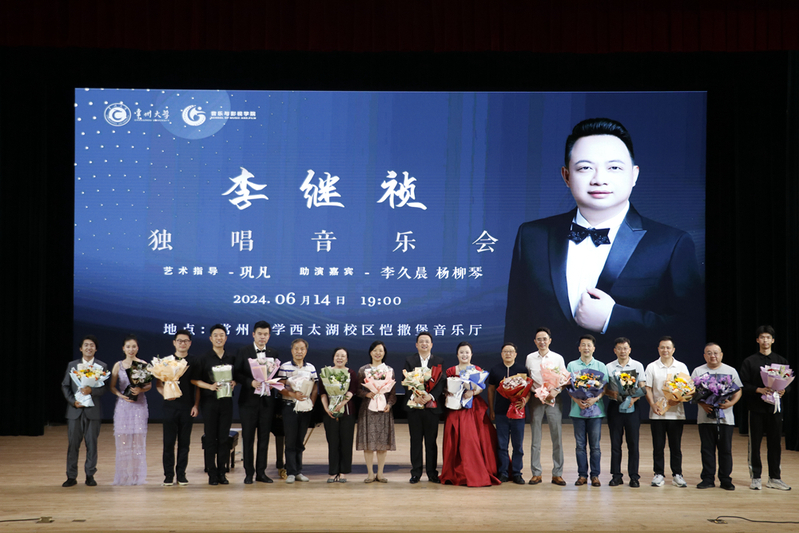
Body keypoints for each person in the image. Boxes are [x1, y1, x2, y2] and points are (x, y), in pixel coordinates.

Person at [504, 118, 703, 357]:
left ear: (634, 175)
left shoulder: (671, 243)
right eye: (585, 168)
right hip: (547, 379)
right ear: (566, 176)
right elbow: (516, 322)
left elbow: (690, 328)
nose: (599, 179)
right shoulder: (531, 236)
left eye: (614, 168)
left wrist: (612, 317)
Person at [440, 342, 500, 487]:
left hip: (472, 407)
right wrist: (449, 392)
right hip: (455, 407)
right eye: (461, 352)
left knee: (472, 438)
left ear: (471, 354)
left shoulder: (477, 370)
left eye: (467, 352)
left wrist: (472, 392)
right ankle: (454, 471)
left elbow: (481, 387)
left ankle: (474, 470)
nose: (464, 355)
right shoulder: (450, 370)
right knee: (453, 438)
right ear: (457, 354)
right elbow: (445, 388)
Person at [740, 325, 792, 491]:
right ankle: (756, 477)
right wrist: (759, 389)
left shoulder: (781, 361)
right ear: (757, 340)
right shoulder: (749, 361)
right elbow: (743, 384)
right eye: (762, 337)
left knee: (775, 443)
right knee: (755, 444)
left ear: (773, 340)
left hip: (774, 409)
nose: (765, 340)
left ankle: (774, 478)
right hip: (756, 408)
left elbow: (789, 383)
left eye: (768, 337)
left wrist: (784, 390)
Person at [691, 342, 742, 490]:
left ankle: (725, 479)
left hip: (725, 418)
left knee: (725, 450)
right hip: (705, 418)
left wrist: (731, 403)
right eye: (709, 353)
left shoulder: (730, 370)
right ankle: (708, 478)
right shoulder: (698, 371)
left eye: (715, 353)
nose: (712, 356)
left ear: (721, 355)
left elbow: (738, 390)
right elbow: (691, 391)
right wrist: (702, 404)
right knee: (707, 449)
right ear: (704, 356)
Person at [191, 324, 237, 486]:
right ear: (211, 338)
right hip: (209, 402)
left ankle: (222, 472)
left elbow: (237, 377)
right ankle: (211, 473)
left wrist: (234, 382)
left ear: (226, 338)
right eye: (216, 335)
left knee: (224, 438)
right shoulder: (203, 358)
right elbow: (195, 380)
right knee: (210, 438)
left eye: (222, 335)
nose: (219, 338)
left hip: (226, 402)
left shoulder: (231, 358)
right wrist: (210, 386)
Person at [234, 320, 279, 484]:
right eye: (260, 334)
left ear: (269, 336)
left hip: (267, 402)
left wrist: (272, 382)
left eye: (265, 334)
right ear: (253, 334)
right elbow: (236, 373)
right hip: (248, 402)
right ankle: (248, 473)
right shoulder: (243, 351)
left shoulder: (273, 352)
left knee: (264, 438)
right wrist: (250, 382)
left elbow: (276, 374)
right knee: (248, 438)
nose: (262, 337)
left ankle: (261, 472)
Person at [61, 335, 108, 487]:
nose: (89, 347)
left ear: (96, 349)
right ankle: (71, 476)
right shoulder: (72, 365)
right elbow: (65, 385)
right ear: (81, 348)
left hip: (93, 412)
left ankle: (90, 475)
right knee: (73, 445)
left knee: (92, 444)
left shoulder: (101, 366)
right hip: (75, 411)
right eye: (86, 345)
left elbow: (104, 388)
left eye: (92, 345)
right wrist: (72, 401)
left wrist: (91, 391)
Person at [524, 327, 567, 486]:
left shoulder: (557, 358)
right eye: (539, 339)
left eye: (545, 339)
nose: (542, 342)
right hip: (536, 399)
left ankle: (557, 474)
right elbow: (528, 379)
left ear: (550, 340)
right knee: (535, 437)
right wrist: (536, 392)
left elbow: (564, 379)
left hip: (553, 399)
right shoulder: (530, 358)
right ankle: (536, 473)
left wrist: (556, 391)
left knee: (557, 436)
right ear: (535, 342)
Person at [645, 336, 689, 488]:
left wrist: (678, 399)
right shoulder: (652, 367)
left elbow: (687, 388)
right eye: (662, 347)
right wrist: (652, 404)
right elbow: (648, 388)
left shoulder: (681, 367)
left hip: (676, 413)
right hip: (657, 413)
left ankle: (677, 474)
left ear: (673, 350)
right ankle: (658, 474)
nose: (665, 350)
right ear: (658, 349)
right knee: (658, 446)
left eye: (668, 347)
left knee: (675, 446)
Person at [157, 329, 198, 486]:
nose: (182, 343)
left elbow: (197, 386)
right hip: (169, 407)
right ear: (174, 343)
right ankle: (168, 475)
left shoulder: (194, 362)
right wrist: (166, 394)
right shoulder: (166, 362)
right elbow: (159, 384)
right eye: (179, 340)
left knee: (184, 443)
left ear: (190, 343)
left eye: (185, 341)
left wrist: (196, 405)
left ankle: (181, 474)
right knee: (168, 443)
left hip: (187, 407)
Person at [109, 334, 151, 485]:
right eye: (128, 347)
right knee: (123, 441)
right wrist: (121, 395)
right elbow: (112, 386)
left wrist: (140, 390)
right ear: (123, 348)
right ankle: (123, 476)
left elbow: (148, 385)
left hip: (139, 406)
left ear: (137, 348)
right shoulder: (118, 365)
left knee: (138, 441)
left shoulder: (143, 364)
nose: (131, 349)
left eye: (134, 346)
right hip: (123, 406)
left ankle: (137, 476)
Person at [403, 331, 445, 484]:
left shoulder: (439, 361)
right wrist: (416, 396)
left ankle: (432, 473)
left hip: (432, 407)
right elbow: (405, 381)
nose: (424, 344)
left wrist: (431, 396)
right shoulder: (410, 360)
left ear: (431, 344)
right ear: (416, 344)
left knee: (431, 441)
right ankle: (416, 473)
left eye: (427, 341)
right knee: (415, 441)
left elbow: (441, 382)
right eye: (421, 341)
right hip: (415, 407)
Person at [566, 334, 607, 487]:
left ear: (593, 348)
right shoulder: (572, 365)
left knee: (595, 446)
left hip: (596, 412)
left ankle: (595, 476)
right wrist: (577, 400)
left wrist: (595, 399)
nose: (586, 348)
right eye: (583, 345)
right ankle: (582, 475)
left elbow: (605, 387)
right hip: (578, 411)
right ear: (579, 348)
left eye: (589, 345)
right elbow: (568, 387)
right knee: (580, 446)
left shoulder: (600, 366)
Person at [604, 337, 646, 487]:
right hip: (615, 407)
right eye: (619, 348)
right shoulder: (609, 367)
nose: (623, 351)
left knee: (633, 443)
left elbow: (642, 387)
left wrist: (633, 399)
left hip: (633, 407)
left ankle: (634, 476)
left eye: (625, 348)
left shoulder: (637, 365)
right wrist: (613, 393)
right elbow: (604, 389)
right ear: (615, 351)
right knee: (616, 443)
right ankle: (616, 476)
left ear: (630, 350)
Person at [487, 342, 529, 484]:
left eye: (511, 351)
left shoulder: (522, 370)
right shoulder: (495, 370)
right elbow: (491, 390)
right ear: (501, 354)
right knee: (502, 445)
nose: (508, 354)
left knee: (518, 445)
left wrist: (525, 401)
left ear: (515, 354)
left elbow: (528, 390)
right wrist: (491, 409)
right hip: (501, 412)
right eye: (505, 351)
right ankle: (503, 472)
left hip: (518, 413)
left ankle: (517, 473)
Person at [278, 338, 318, 483]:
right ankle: (290, 472)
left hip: (305, 409)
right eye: (296, 349)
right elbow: (280, 387)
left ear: (306, 351)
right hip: (290, 406)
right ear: (292, 351)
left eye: (302, 349)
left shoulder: (311, 368)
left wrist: (311, 403)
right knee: (290, 440)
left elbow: (315, 388)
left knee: (300, 440)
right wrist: (292, 394)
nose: (299, 351)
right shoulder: (285, 367)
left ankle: (298, 471)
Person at [356, 341, 396, 483]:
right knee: (368, 442)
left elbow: (392, 393)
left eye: (380, 350)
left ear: (384, 353)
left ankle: (380, 473)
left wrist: (389, 404)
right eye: (375, 350)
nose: (378, 353)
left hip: (383, 409)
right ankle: (370, 474)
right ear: (370, 352)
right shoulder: (363, 370)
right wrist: (366, 394)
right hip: (368, 408)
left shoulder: (389, 370)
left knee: (382, 443)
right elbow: (357, 389)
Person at [319, 347, 358, 483]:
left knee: (346, 441)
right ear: (333, 357)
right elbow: (323, 392)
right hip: (330, 412)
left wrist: (342, 403)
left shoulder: (351, 373)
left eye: (343, 356)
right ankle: (333, 471)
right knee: (333, 442)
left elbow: (353, 390)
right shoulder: (326, 373)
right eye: (337, 355)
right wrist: (326, 408)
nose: (339, 358)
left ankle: (343, 472)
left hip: (347, 411)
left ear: (347, 359)